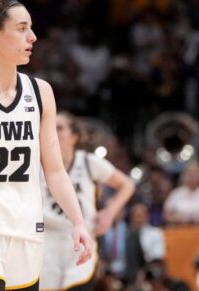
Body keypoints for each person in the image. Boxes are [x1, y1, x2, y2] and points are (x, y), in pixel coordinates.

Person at [0, 0, 93, 291]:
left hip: (27, 233)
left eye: (32, 28)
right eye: (22, 28)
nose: (33, 37)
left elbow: (54, 170)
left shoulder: (40, 92)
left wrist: (78, 222)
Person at [40, 111, 135, 291]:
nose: (53, 131)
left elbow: (127, 185)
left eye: (59, 128)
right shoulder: (38, 162)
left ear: (74, 137)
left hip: (80, 240)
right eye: (51, 127)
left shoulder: (88, 162)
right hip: (47, 240)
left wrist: (109, 212)